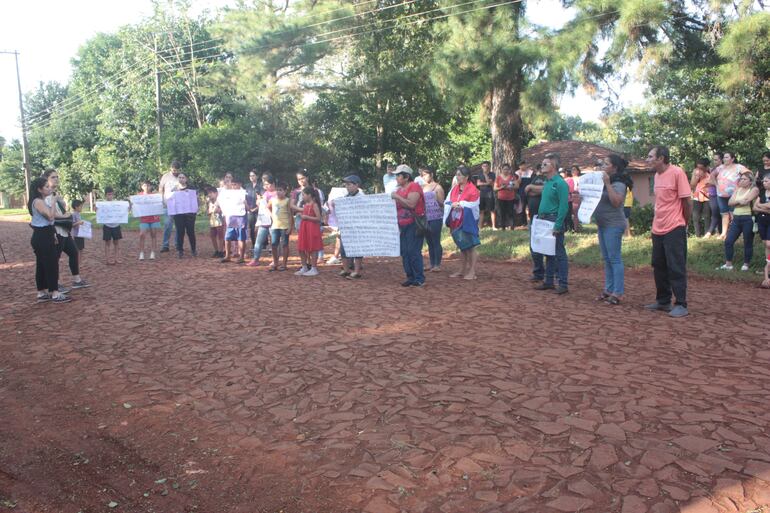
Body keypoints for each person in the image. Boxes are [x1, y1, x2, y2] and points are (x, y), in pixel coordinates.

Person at [644, 145, 692, 318]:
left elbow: (687, 202)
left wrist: (683, 223)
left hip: (674, 227)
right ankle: (663, 301)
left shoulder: (678, 173)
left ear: (661, 158)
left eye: (650, 157)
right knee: (658, 265)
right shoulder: (656, 176)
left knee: (676, 265)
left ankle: (681, 304)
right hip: (658, 228)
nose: (647, 159)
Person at [591, 155, 631, 305]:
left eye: (606, 164)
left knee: (614, 259)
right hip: (602, 224)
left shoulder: (619, 183)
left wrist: (607, 183)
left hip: (613, 225)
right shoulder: (601, 182)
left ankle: (618, 293)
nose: (602, 166)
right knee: (607, 259)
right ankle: (608, 290)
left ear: (614, 168)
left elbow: (616, 202)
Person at [28, 177, 71, 303]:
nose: (49, 188)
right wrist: (53, 201)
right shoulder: (39, 202)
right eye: (46, 186)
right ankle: (55, 292)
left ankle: (41, 292)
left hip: (43, 234)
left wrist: (64, 215)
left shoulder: (39, 201)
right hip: (42, 236)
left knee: (42, 264)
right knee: (51, 264)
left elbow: (50, 218)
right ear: (39, 189)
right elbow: (50, 216)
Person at [44, 169, 88, 290]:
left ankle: (77, 280)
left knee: (74, 253)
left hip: (65, 230)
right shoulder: (45, 196)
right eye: (53, 177)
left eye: (57, 177)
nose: (56, 179)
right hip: (56, 230)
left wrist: (61, 203)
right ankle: (55, 284)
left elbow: (62, 209)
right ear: (46, 179)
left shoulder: (55, 195)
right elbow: (49, 214)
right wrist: (65, 216)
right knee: (55, 258)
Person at [531, 153, 569, 294]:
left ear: (553, 166)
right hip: (544, 220)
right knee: (548, 252)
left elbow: (564, 206)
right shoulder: (547, 182)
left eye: (545, 164)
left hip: (553, 220)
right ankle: (548, 281)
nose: (542, 166)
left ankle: (563, 283)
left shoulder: (560, 183)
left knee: (559, 253)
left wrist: (558, 225)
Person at [390, 165, 426, 287]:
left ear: (406, 177)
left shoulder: (414, 187)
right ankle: (410, 276)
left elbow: (411, 204)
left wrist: (397, 197)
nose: (396, 178)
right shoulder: (399, 190)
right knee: (404, 251)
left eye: (398, 175)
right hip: (402, 225)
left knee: (413, 250)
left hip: (414, 224)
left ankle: (419, 277)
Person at [717, 171, 758, 271]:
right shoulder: (738, 189)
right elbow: (730, 203)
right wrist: (739, 201)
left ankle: (746, 264)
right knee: (728, 241)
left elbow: (746, 202)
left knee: (748, 242)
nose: (742, 181)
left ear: (750, 181)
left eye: (744, 179)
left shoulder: (754, 189)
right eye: (741, 179)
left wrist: (737, 202)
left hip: (748, 218)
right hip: (736, 218)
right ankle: (728, 264)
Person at [445, 165, 481, 280]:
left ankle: (472, 271)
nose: (457, 176)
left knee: (470, 247)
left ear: (466, 177)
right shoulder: (455, 188)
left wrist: (461, 204)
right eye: (457, 174)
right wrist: (452, 204)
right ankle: (462, 270)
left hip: (468, 221)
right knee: (462, 247)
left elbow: (474, 204)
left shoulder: (473, 189)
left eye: (459, 174)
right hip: (456, 220)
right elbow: (447, 201)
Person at [335, 175, 365, 279]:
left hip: (357, 227)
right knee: (344, 249)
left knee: (357, 249)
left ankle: (356, 271)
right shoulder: (346, 197)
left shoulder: (362, 197)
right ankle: (346, 269)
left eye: (349, 184)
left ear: (356, 185)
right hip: (346, 227)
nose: (347, 186)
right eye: (346, 184)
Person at [714, 151, 749, 240]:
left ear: (732, 159)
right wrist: (717, 185)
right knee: (724, 214)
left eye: (727, 157)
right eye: (724, 157)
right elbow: (711, 177)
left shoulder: (738, 167)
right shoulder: (720, 168)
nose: (724, 159)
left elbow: (749, 174)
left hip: (734, 195)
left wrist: (742, 183)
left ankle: (738, 234)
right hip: (721, 195)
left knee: (734, 214)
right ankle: (724, 233)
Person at [293, 187, 324, 276]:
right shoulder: (305, 205)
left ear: (309, 195)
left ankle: (314, 268)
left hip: (312, 228)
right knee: (301, 248)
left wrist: (307, 217)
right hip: (304, 228)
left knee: (313, 248)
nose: (302, 197)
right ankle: (304, 266)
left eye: (303, 195)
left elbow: (318, 218)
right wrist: (302, 214)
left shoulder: (314, 205)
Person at [419, 165, 445, 272]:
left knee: (435, 241)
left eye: (425, 174)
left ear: (432, 174)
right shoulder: (423, 188)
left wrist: (437, 199)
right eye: (422, 175)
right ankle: (431, 263)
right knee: (429, 241)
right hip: (426, 218)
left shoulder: (438, 187)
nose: (424, 177)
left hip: (436, 218)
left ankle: (437, 264)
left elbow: (442, 204)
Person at [247, 173, 276, 266]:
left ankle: (275, 260)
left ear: (273, 184)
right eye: (264, 184)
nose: (266, 186)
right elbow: (261, 209)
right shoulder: (264, 194)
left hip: (273, 222)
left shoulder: (277, 194)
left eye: (268, 184)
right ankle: (255, 259)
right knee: (258, 241)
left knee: (274, 243)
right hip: (264, 221)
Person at [221, 179, 247, 264]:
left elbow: (246, 204)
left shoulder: (243, 192)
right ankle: (227, 255)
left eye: (235, 184)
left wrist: (248, 208)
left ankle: (241, 257)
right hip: (231, 216)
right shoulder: (228, 193)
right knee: (227, 237)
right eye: (232, 184)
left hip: (240, 216)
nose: (233, 186)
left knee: (241, 237)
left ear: (239, 184)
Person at [268, 182, 292, 271]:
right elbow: (268, 207)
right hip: (275, 226)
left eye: (281, 190)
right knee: (274, 244)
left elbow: (290, 214)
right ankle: (275, 262)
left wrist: (290, 226)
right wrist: (272, 215)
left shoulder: (287, 200)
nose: (279, 192)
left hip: (284, 225)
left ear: (285, 191)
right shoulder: (273, 200)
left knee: (285, 245)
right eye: (277, 190)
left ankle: (284, 264)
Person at [173, 172, 197, 258]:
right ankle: (180, 250)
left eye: (183, 177)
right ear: (178, 179)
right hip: (178, 214)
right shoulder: (174, 189)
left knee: (190, 232)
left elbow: (195, 201)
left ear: (186, 179)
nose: (181, 179)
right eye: (180, 177)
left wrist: (194, 211)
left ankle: (193, 250)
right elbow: (171, 202)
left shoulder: (191, 188)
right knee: (180, 232)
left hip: (190, 214)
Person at [159, 160, 181, 252]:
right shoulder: (165, 176)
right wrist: (162, 200)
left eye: (177, 170)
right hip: (167, 204)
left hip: (179, 205)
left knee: (178, 226)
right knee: (168, 225)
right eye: (173, 170)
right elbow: (161, 188)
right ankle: (165, 245)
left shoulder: (181, 177)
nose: (175, 172)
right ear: (170, 168)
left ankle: (177, 244)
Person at [753, 172, 770, 288]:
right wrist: (765, 207)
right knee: (766, 244)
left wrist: (761, 206)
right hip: (762, 220)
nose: (764, 183)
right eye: (763, 181)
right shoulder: (762, 193)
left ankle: (768, 267)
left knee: (769, 243)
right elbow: (754, 207)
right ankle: (768, 265)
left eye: (766, 181)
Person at [137, 180, 160, 260]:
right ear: (142, 187)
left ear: (150, 187)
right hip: (144, 219)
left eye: (148, 185)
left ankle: (153, 252)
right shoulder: (139, 196)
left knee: (153, 235)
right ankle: (141, 253)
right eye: (144, 185)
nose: (146, 187)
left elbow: (158, 204)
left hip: (154, 218)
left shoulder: (154, 196)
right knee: (142, 235)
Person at [690, 158, 712, 238]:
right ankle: (697, 235)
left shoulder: (711, 171)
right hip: (697, 196)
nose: (699, 169)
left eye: (701, 168)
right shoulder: (696, 171)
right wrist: (697, 177)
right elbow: (692, 185)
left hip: (708, 196)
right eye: (698, 167)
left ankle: (707, 234)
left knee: (707, 216)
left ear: (706, 167)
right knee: (696, 216)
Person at [100, 187, 122, 265]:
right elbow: (99, 212)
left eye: (112, 194)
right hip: (107, 225)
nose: (110, 196)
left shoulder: (117, 203)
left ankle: (116, 259)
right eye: (109, 194)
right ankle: (107, 259)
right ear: (106, 195)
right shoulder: (102, 204)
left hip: (116, 225)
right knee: (107, 243)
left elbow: (122, 211)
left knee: (116, 242)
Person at [493, 163, 519, 230]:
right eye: (504, 169)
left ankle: (511, 226)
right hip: (501, 198)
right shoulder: (498, 178)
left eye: (507, 169)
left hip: (511, 197)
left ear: (509, 170)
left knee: (510, 212)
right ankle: (503, 227)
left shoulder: (512, 177)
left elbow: (517, 186)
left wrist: (511, 186)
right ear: (501, 170)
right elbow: (494, 188)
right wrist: (501, 187)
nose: (506, 171)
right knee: (502, 212)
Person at [245, 169, 263, 250]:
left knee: (261, 227)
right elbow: (245, 198)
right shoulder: (247, 186)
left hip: (259, 210)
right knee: (252, 228)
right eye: (250, 176)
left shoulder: (261, 186)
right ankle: (253, 244)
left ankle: (263, 244)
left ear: (257, 176)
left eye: (253, 175)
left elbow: (262, 199)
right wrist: (248, 208)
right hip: (250, 211)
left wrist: (256, 208)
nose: (251, 177)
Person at [475, 161, 496, 230]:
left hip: (490, 193)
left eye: (486, 166)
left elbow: (491, 183)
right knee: (481, 210)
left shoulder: (492, 174)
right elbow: (478, 184)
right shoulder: (479, 174)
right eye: (483, 166)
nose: (484, 167)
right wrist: (486, 183)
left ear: (489, 167)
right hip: (482, 194)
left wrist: (486, 175)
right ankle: (480, 226)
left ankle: (493, 226)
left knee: (492, 210)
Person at [205, 187, 225, 258]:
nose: (209, 195)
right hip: (212, 221)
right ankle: (216, 250)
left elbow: (221, 210)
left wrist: (218, 210)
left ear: (216, 193)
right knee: (212, 236)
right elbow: (207, 212)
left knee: (220, 236)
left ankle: (221, 251)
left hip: (220, 220)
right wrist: (209, 211)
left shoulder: (219, 201)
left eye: (211, 193)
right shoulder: (209, 202)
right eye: (208, 193)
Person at [565, 165, 582, 232]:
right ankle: (569, 227)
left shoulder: (580, 178)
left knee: (576, 213)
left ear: (578, 171)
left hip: (577, 196)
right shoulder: (569, 179)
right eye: (572, 169)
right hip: (569, 196)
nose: (573, 171)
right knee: (568, 213)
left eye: (574, 169)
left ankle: (576, 228)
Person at [71, 199, 86, 270]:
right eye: (80, 206)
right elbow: (72, 225)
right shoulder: (73, 214)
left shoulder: (79, 214)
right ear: (76, 207)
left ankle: (80, 262)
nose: (81, 208)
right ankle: (76, 263)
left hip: (81, 234)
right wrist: (79, 223)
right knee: (77, 250)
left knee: (81, 249)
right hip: (76, 235)